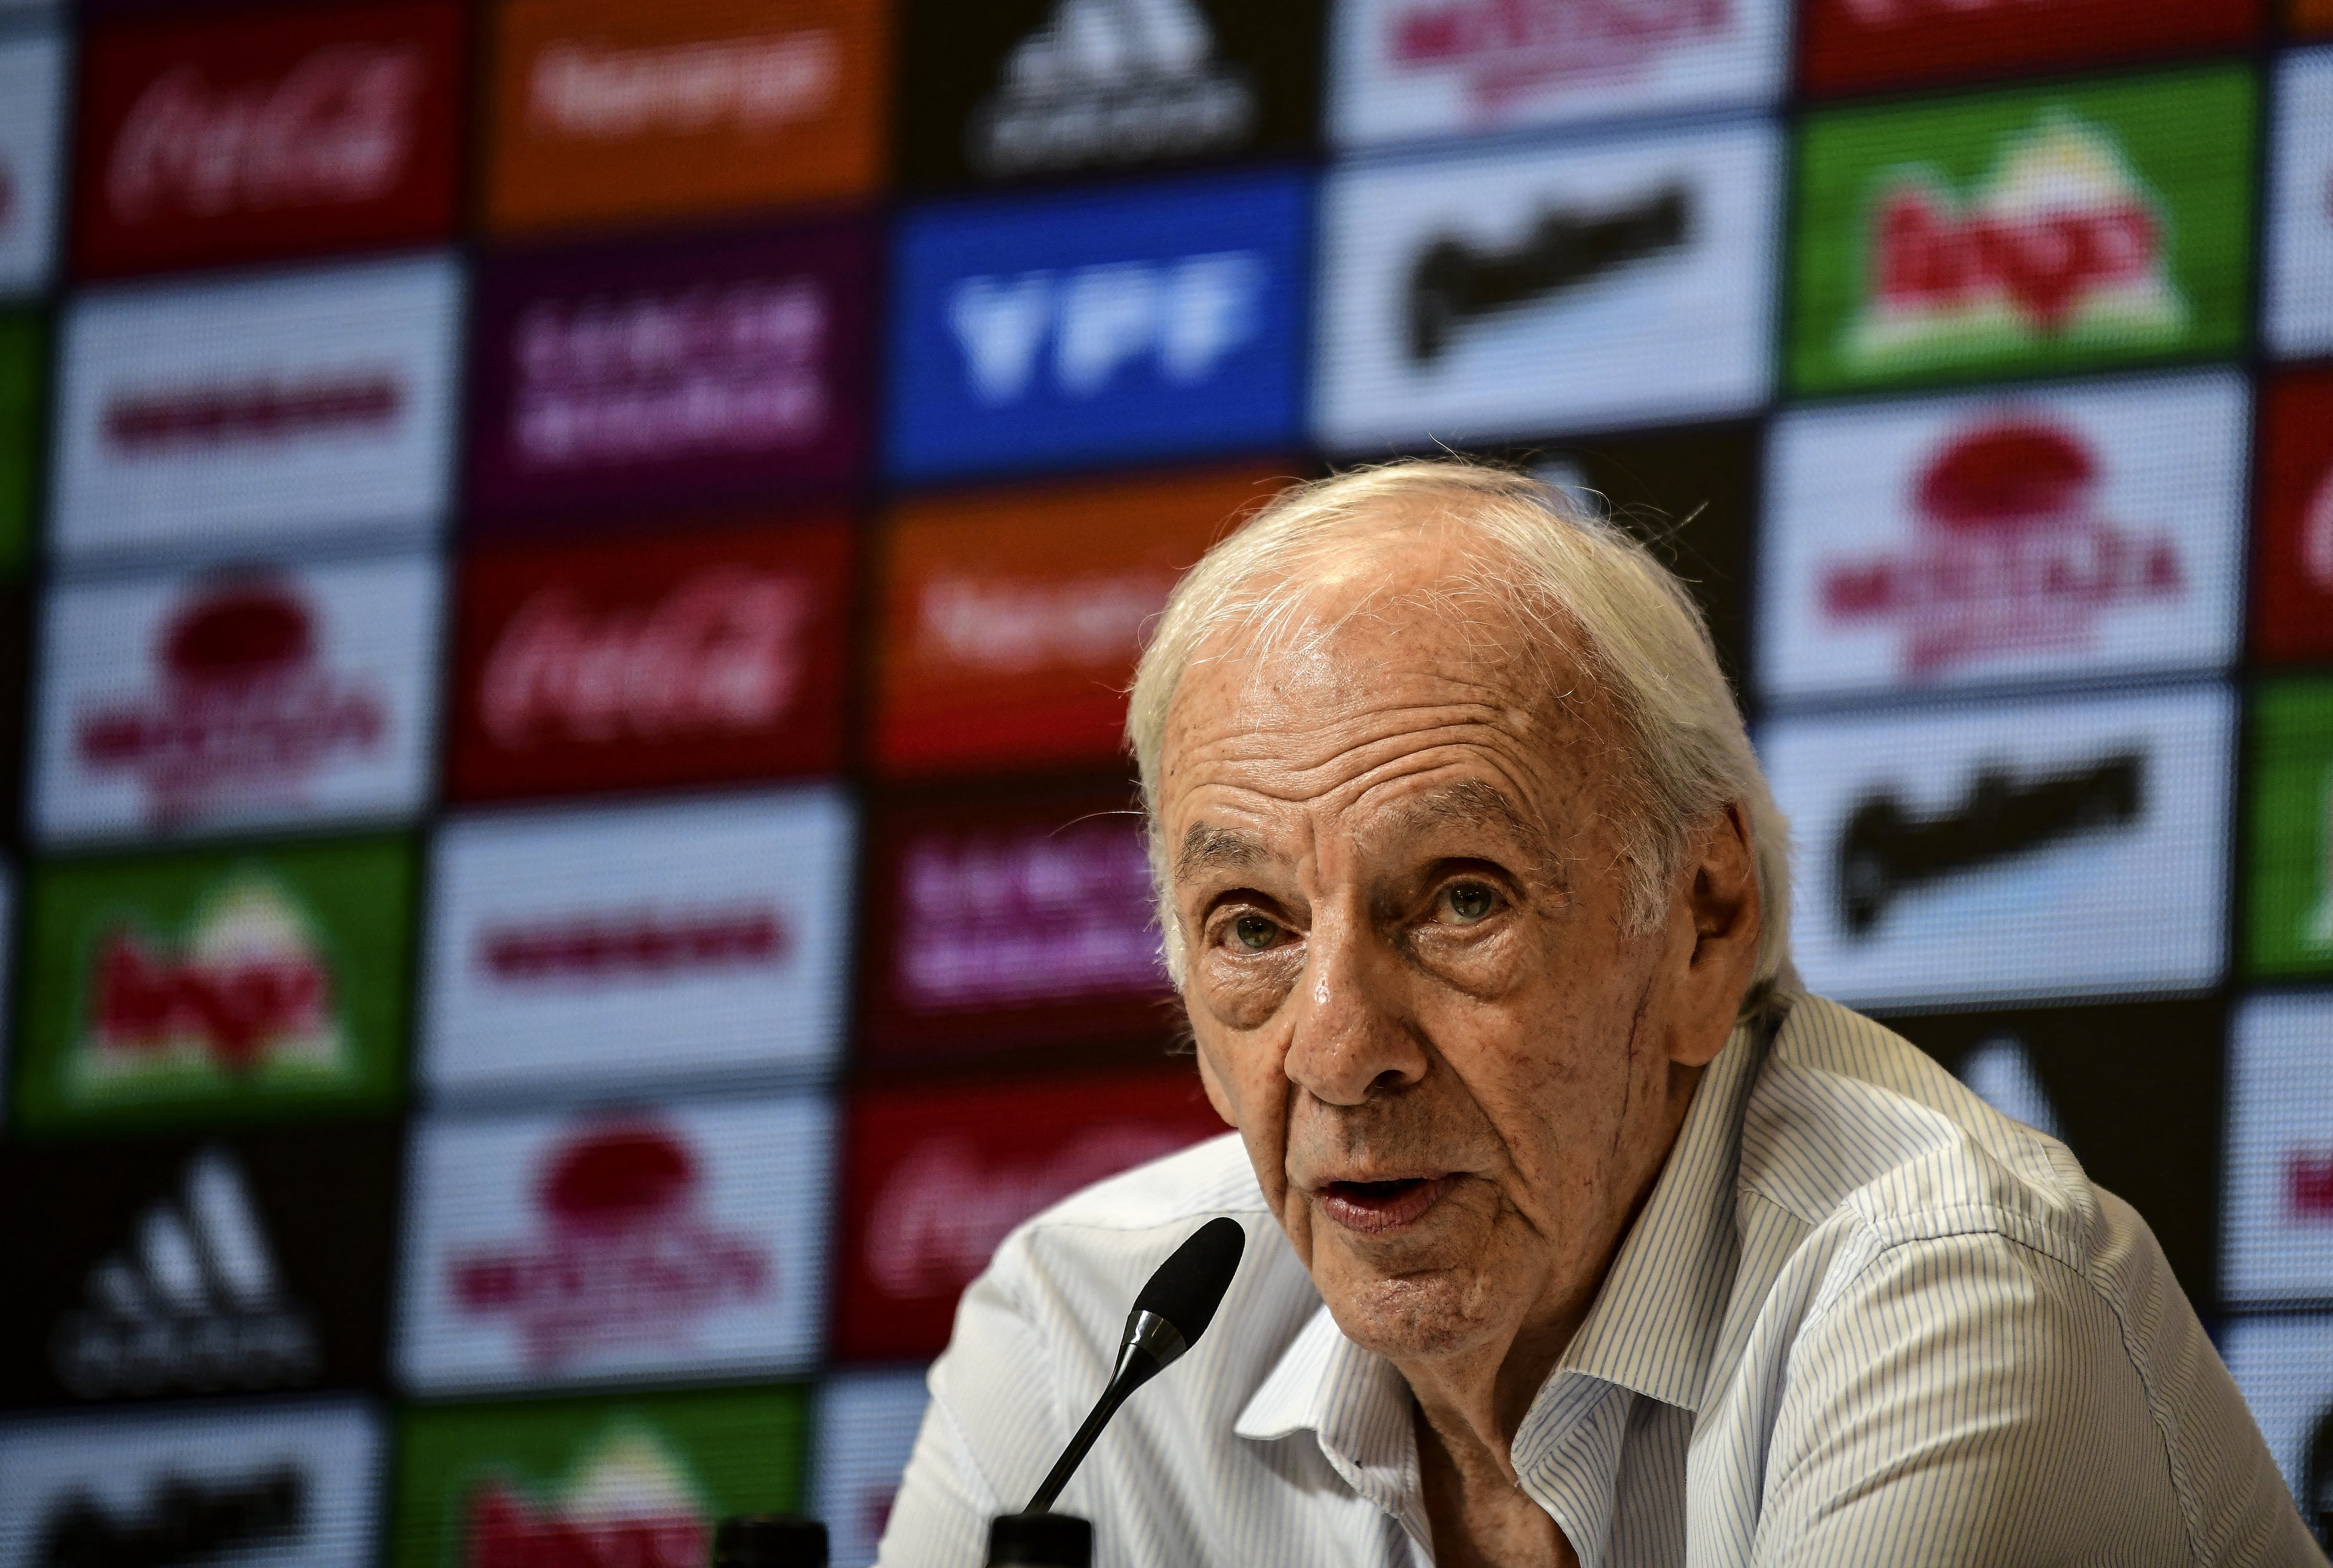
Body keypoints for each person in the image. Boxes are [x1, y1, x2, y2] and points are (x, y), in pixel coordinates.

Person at [876, 460, 2311, 1566]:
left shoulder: (1943, 1294)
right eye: (1251, 926)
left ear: (1704, 922)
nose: (1336, 1046)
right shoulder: (1083, 1338)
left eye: (1459, 901)